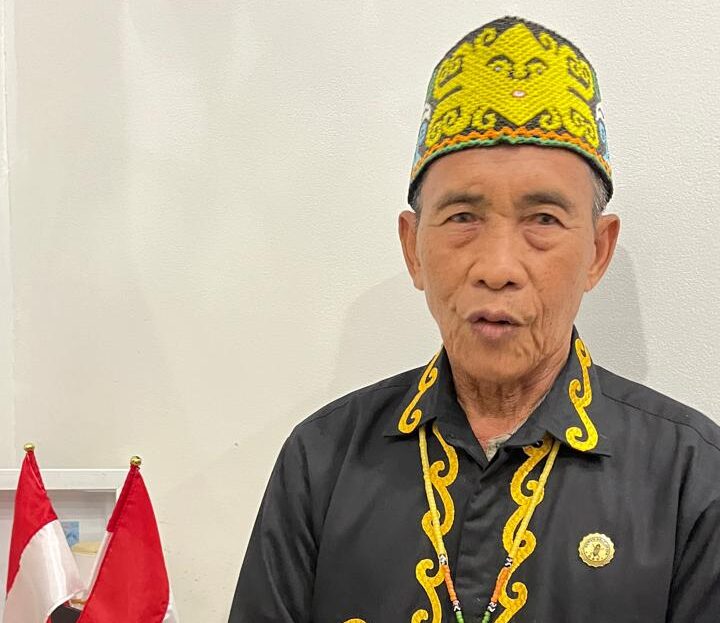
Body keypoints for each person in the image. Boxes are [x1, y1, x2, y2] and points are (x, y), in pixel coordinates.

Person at [228, 16, 720, 622]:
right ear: (413, 248)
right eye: (463, 217)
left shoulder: (692, 476)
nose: (497, 267)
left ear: (598, 251)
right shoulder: (322, 459)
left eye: (543, 219)